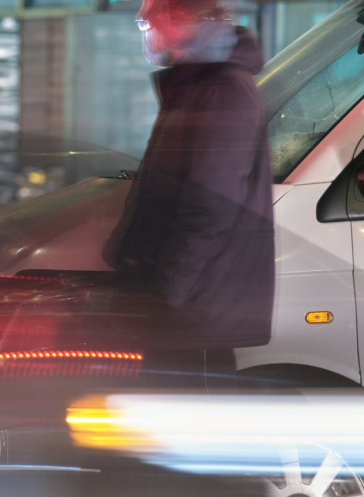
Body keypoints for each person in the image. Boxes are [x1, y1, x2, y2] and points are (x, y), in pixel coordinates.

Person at [105, 0, 275, 385]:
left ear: (179, 20)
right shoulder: (197, 84)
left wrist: (166, 291)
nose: (145, 29)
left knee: (192, 422)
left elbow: (210, 206)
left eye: (149, 21)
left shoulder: (221, 89)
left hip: (196, 307)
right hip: (188, 303)